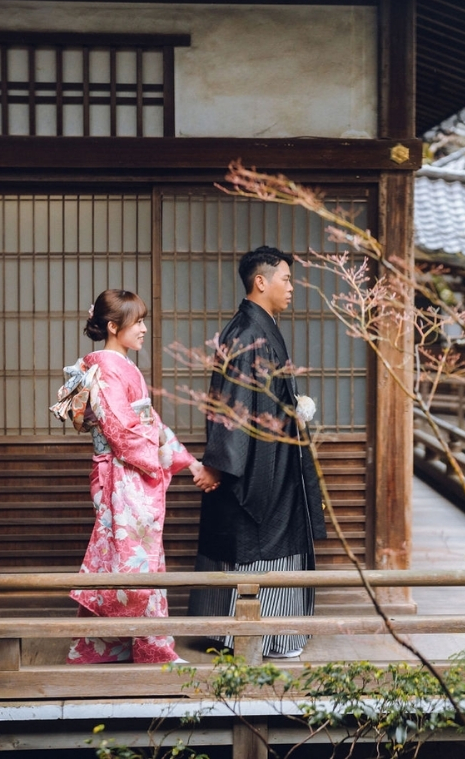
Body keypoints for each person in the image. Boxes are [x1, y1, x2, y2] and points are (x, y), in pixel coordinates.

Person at [50, 288, 215, 664]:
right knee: (133, 561)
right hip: (122, 475)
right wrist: (159, 462)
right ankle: (150, 647)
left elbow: (149, 423)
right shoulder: (106, 368)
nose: (143, 329)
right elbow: (123, 433)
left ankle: (105, 645)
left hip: (131, 474)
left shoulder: (118, 366)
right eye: (137, 322)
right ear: (112, 326)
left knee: (125, 560)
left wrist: (188, 463)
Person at [188, 246, 327, 660]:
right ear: (261, 282)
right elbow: (233, 407)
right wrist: (221, 465)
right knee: (261, 539)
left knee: (270, 540)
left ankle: (258, 633)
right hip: (258, 468)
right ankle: (260, 636)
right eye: (286, 279)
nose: (291, 288)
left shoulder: (258, 329)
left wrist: (292, 409)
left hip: (272, 458)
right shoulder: (249, 334)